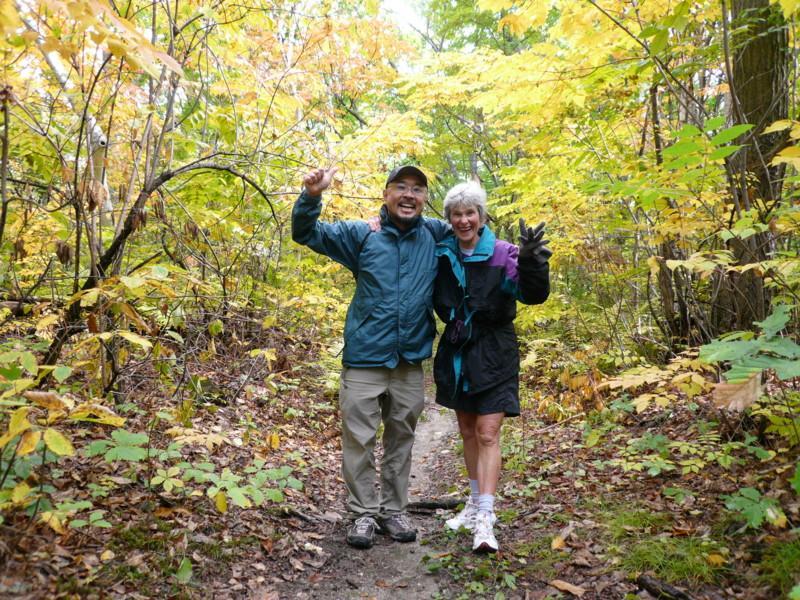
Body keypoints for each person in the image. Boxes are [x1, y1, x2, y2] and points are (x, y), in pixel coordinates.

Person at [291, 165, 449, 550]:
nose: (409, 195)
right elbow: (306, 233)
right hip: (364, 359)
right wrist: (311, 196)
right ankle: (363, 513)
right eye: (400, 187)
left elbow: (474, 235)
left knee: (401, 440)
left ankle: (393, 511)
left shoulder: (435, 234)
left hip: (409, 362)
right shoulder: (361, 234)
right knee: (359, 440)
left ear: (425, 198)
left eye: (417, 189)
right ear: (386, 194)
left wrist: (523, 258)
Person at [433, 181, 551, 553]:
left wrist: (531, 262)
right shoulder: (442, 252)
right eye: (457, 214)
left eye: (471, 213)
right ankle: (471, 504)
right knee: (467, 429)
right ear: (449, 219)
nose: (464, 220)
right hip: (457, 350)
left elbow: (533, 295)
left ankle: (486, 515)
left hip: (496, 351)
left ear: (482, 217)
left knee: (487, 432)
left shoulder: (505, 253)